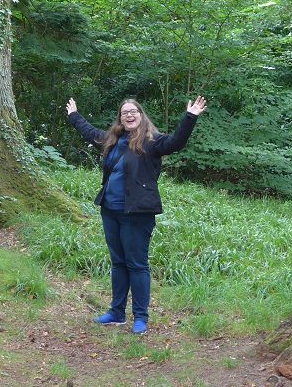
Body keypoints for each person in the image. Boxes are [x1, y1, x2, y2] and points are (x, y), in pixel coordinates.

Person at [65, 95, 207, 334]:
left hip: (137, 213)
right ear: (120, 119)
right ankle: (117, 312)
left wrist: (190, 117)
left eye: (133, 112)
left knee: (137, 265)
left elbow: (176, 142)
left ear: (141, 116)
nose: (129, 115)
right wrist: (74, 115)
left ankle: (141, 317)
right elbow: (90, 132)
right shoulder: (113, 139)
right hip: (110, 210)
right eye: (124, 113)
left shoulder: (152, 142)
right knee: (118, 263)